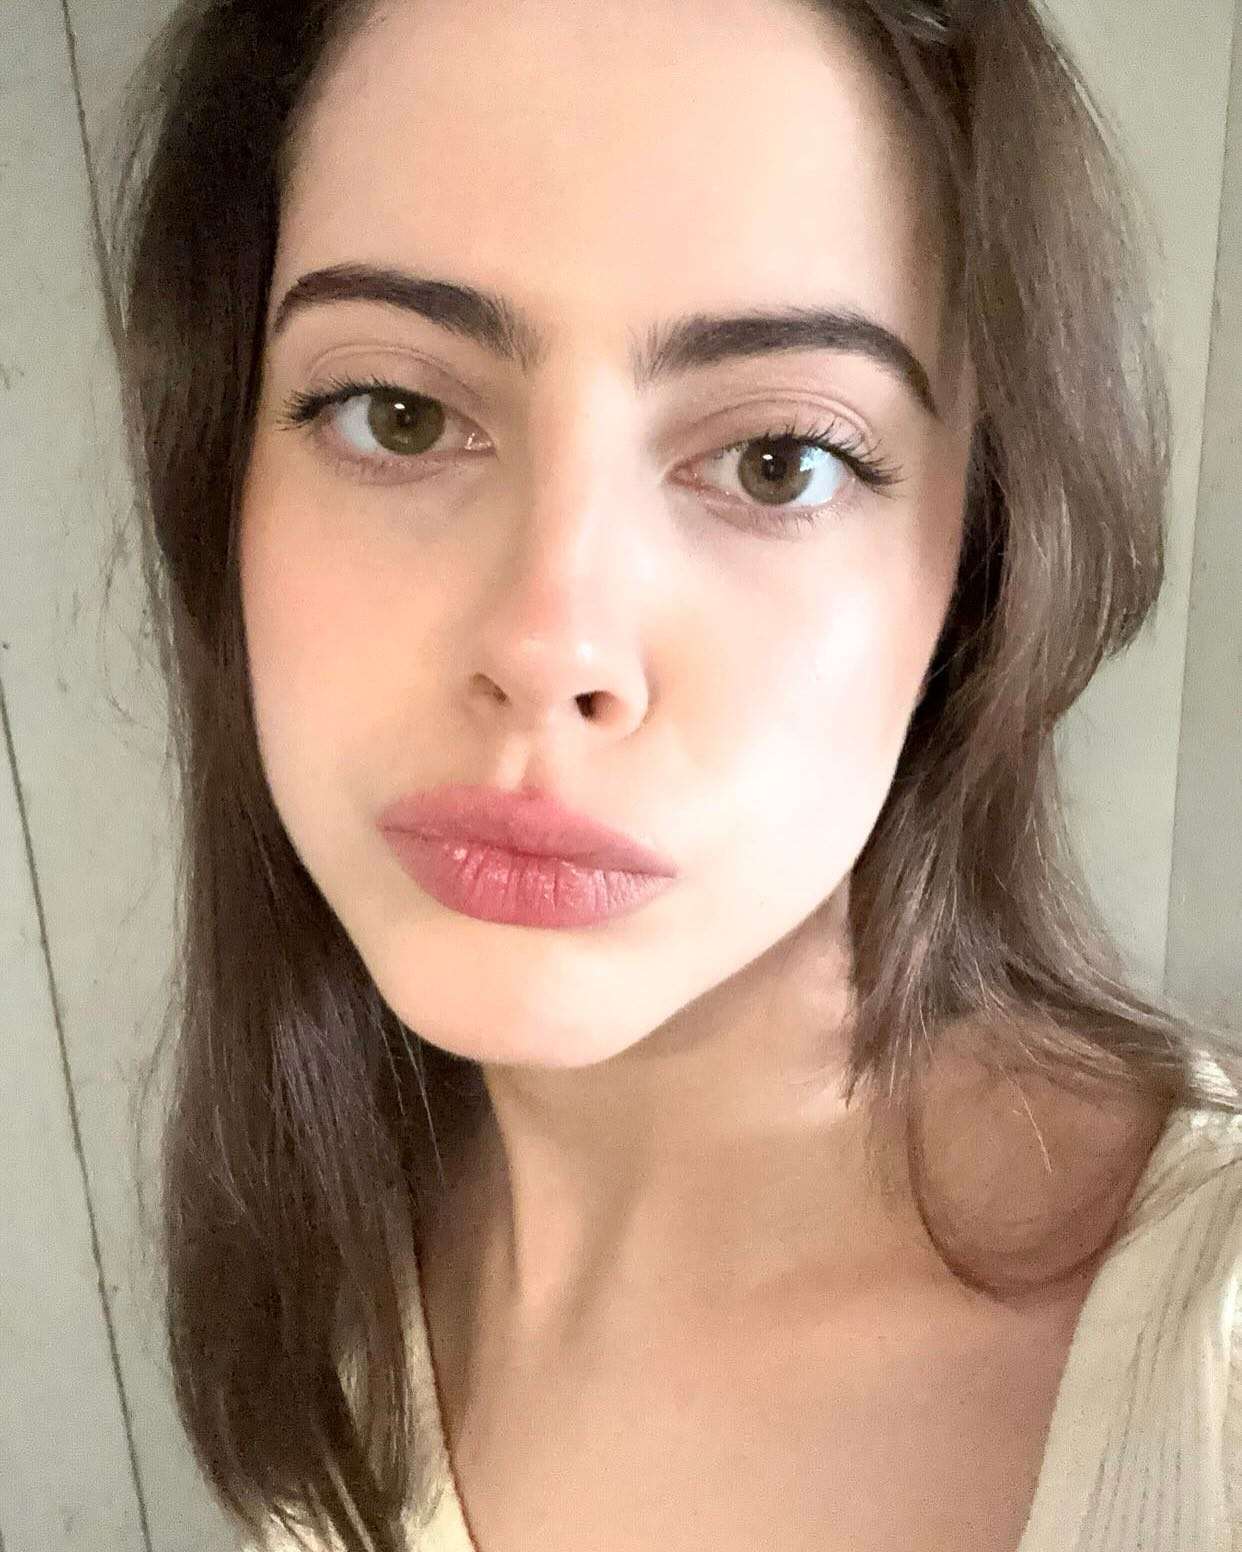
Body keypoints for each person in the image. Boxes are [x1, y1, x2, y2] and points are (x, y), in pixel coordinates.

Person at [99, 0, 1242, 1548]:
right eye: (399, 415)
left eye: (778, 459)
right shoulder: (334, 1258)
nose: (549, 642)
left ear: (985, 564)